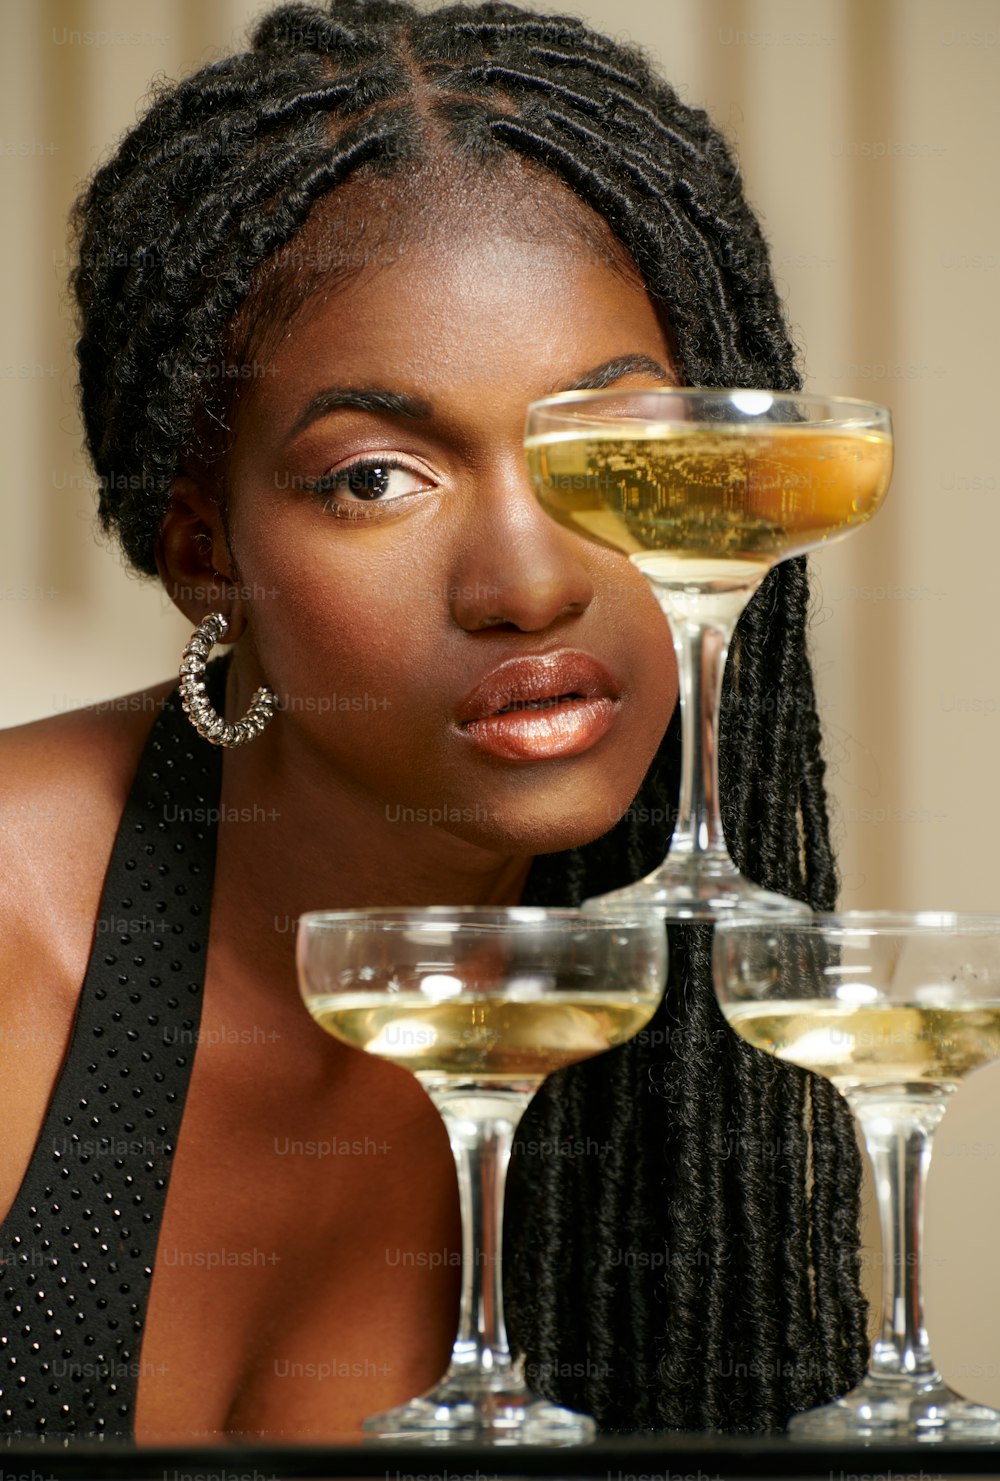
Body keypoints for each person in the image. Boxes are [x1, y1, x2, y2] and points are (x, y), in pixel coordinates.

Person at [0, 0, 867, 1444]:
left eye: (614, 450)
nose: (529, 584)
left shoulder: (682, 1016)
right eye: (375, 478)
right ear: (206, 553)